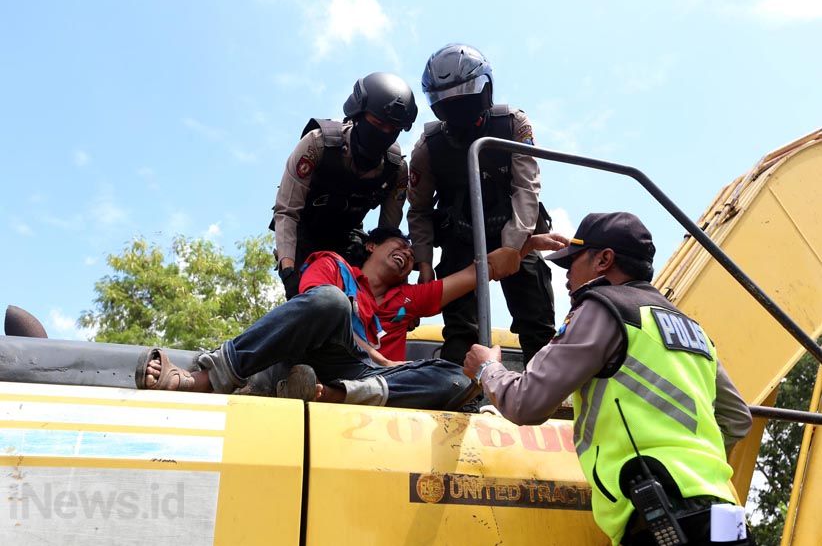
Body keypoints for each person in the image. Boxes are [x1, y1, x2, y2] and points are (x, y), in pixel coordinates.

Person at [464, 212, 754, 545]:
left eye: (572, 263)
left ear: (604, 259)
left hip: (659, 511)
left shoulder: (605, 308)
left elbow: (526, 403)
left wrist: (488, 369)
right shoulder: (694, 329)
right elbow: (736, 419)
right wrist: (699, 471)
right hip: (726, 510)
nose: (567, 277)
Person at [135, 227, 567, 410]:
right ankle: (207, 378)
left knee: (456, 379)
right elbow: (310, 313)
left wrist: (525, 247)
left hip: (360, 381)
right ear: (370, 248)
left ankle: (328, 395)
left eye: (412, 255)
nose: (406, 253)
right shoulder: (334, 267)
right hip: (326, 351)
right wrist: (381, 358)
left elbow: (474, 274)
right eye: (397, 244)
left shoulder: (408, 300)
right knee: (331, 304)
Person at [408, 43, 555, 366]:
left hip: (517, 238)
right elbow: (418, 210)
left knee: (537, 322)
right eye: (448, 103)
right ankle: (459, 398)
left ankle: (546, 394)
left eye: (465, 98)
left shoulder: (512, 125)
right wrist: (423, 263)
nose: (458, 110)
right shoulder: (428, 149)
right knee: (461, 331)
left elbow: (527, 187)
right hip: (462, 242)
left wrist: (513, 246)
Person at [271, 72, 418, 299]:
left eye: (392, 129)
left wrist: (399, 292)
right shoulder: (316, 145)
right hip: (304, 236)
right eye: (378, 123)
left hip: (349, 241)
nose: (383, 133)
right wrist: (288, 271)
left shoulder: (396, 169)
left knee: (354, 308)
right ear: (358, 114)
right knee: (309, 309)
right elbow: (287, 212)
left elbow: (388, 238)